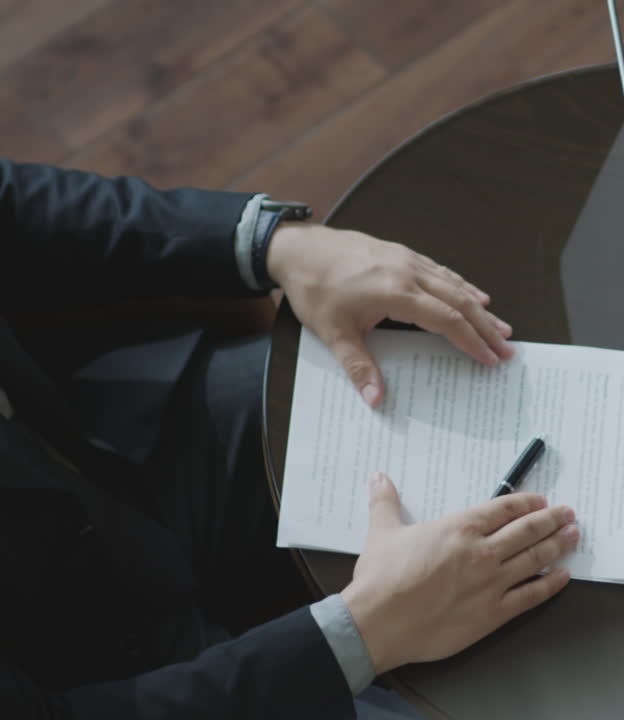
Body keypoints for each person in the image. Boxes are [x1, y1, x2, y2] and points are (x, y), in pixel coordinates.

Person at [0, 159, 581, 718]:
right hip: (100, 681)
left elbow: (13, 203)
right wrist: (366, 632)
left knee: (417, 357)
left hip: (96, 446)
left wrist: (273, 245)